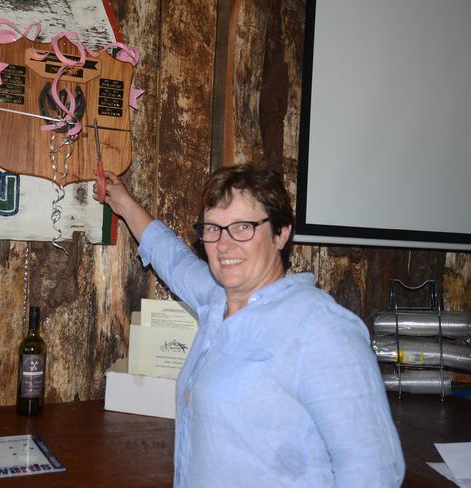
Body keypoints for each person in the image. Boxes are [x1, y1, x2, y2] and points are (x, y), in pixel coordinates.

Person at [94, 165, 405, 487]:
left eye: (243, 227)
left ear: (281, 232)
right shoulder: (217, 299)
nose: (224, 245)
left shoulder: (320, 328)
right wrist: (121, 200)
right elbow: (172, 258)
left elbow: (374, 470)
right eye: (213, 228)